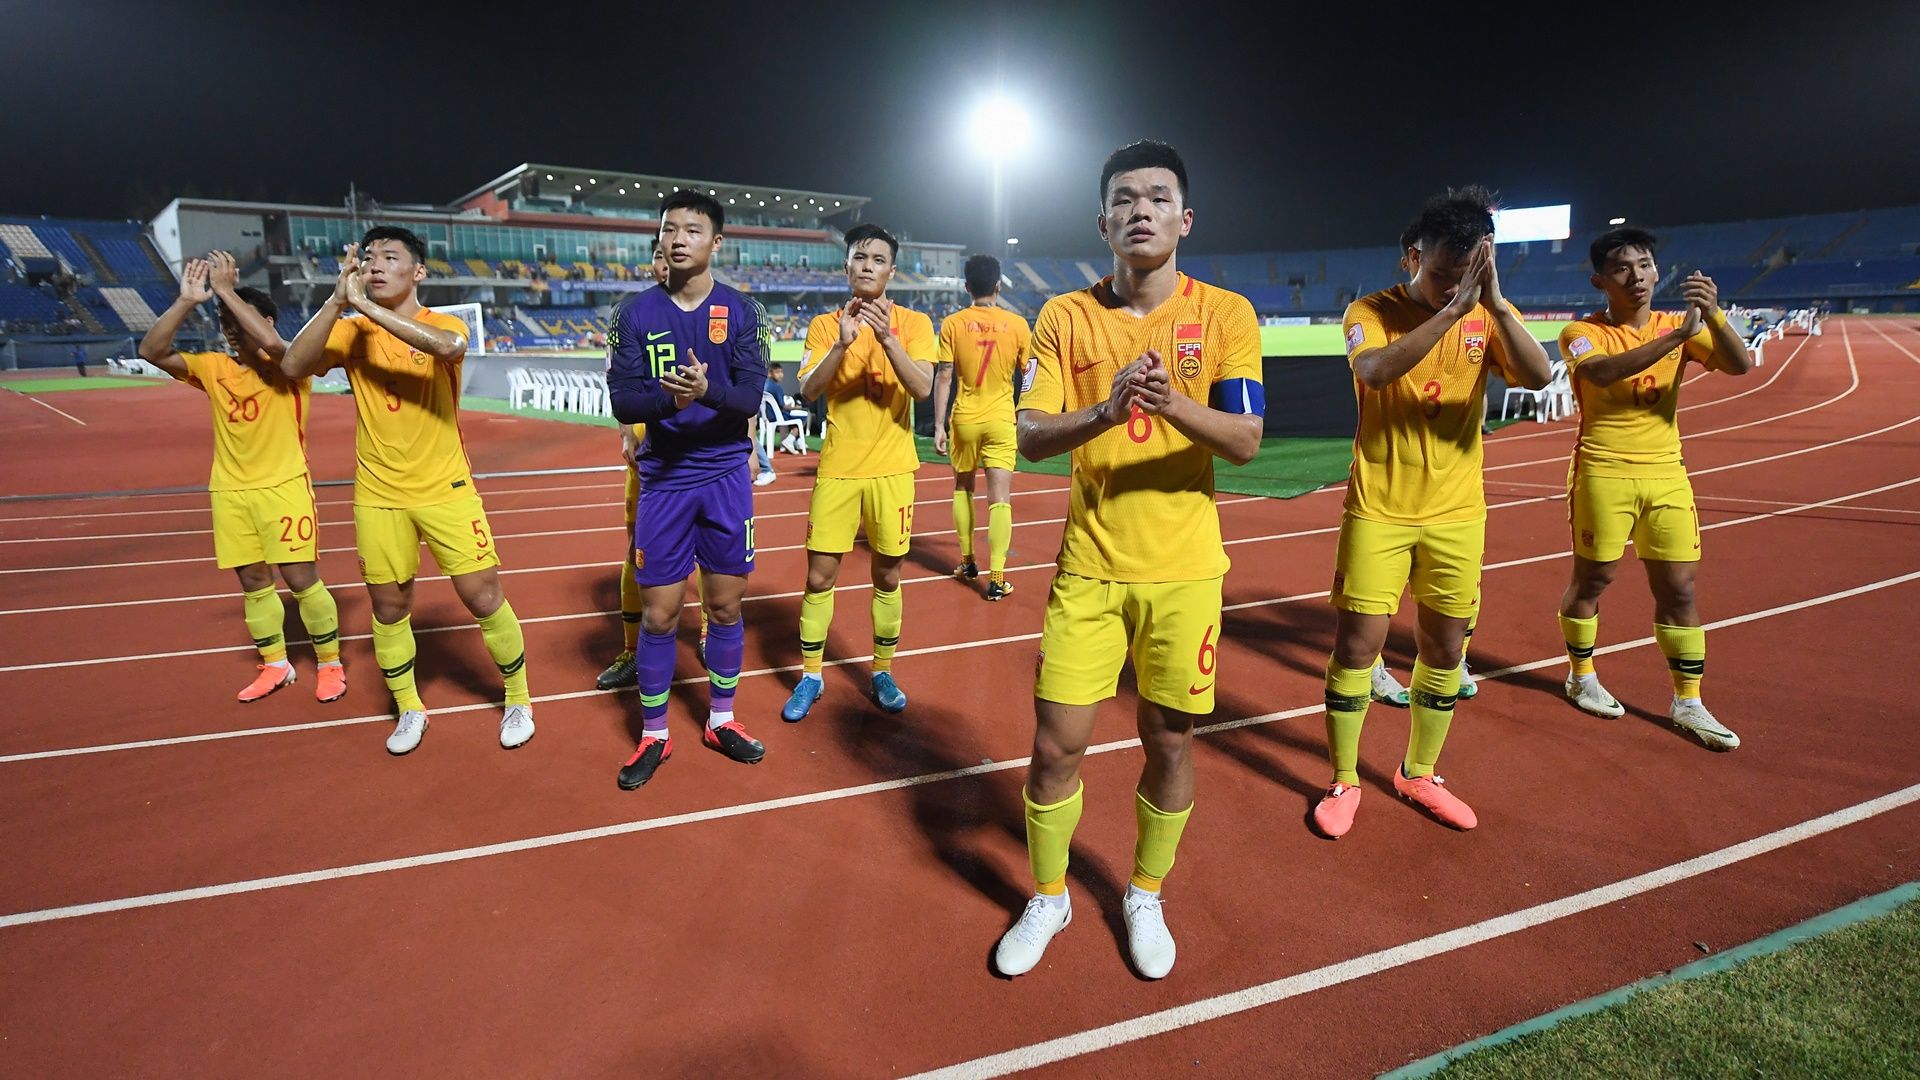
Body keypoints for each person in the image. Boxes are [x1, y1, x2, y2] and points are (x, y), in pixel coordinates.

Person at [992, 140, 1263, 980]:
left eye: (1157, 196)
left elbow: (1246, 439)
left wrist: (1171, 402)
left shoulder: (1226, 314)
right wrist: (1106, 413)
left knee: (1170, 742)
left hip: (1186, 574)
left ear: (1186, 219)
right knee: (1055, 747)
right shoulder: (1064, 317)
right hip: (1090, 569)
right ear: (1102, 221)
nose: (1140, 209)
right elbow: (1029, 434)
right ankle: (1049, 896)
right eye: (1124, 198)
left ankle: (1145, 892)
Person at [1312, 187, 1552, 839]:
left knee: (1445, 648)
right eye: (1443, 272)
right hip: (1379, 511)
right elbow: (1375, 370)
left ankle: (1418, 772)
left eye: (1466, 273)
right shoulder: (1370, 310)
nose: (1454, 285)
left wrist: (1494, 305)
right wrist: (1453, 313)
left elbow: (1538, 377)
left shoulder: (1487, 311)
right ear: (1413, 257)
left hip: (1458, 514)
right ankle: (1343, 778)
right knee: (1357, 648)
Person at [282, 228, 533, 754]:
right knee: (389, 606)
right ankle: (409, 708)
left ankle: (518, 699)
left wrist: (366, 309)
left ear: (417, 272)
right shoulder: (350, 332)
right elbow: (292, 366)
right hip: (378, 495)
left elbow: (448, 348)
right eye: (369, 258)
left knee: (483, 596)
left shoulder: (442, 323)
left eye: (390, 257)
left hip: (446, 488)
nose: (375, 265)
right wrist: (336, 302)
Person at [1556, 229, 1752, 748]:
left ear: (1658, 271)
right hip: (1602, 471)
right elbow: (1600, 373)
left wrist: (1713, 316)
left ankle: (1689, 701)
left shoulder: (1678, 325)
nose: (1636, 276)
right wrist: (1677, 338)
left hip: (1667, 473)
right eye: (1621, 268)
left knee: (1680, 589)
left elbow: (1740, 365)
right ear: (1600, 280)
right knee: (1593, 580)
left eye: (1644, 265)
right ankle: (1581, 676)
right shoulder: (1582, 332)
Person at [606, 192, 771, 788]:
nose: (678, 239)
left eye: (692, 230)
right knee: (660, 615)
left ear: (715, 242)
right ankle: (654, 732)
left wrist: (706, 393)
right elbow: (623, 401)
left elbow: (751, 397)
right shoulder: (632, 313)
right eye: (669, 229)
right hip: (665, 480)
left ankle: (721, 719)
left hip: (725, 476)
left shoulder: (744, 312)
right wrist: (670, 403)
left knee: (725, 606)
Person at [139, 252, 344, 704]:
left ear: (264, 319)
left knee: (301, 579)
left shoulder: (293, 366)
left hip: (284, 488)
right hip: (230, 492)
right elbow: (151, 352)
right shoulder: (215, 368)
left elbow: (273, 344)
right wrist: (187, 301)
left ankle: (329, 663)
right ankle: (276, 664)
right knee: (253, 581)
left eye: (236, 320)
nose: (229, 329)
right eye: (224, 323)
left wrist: (227, 292)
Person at [779, 225, 936, 721]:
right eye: (860, 257)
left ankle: (882, 670)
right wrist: (841, 346)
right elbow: (808, 391)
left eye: (878, 259)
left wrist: (887, 338)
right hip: (839, 470)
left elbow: (923, 388)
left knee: (887, 574)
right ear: (846, 266)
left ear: (892, 270)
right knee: (819, 576)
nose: (868, 266)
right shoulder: (824, 326)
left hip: (893, 470)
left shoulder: (915, 323)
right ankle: (810, 675)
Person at [597, 243, 709, 691]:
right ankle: (632, 650)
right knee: (636, 550)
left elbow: (735, 381)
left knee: (708, 548)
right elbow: (618, 382)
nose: (667, 263)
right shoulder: (632, 315)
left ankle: (708, 633)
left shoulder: (713, 311)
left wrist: (750, 443)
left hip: (704, 450)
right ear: (653, 263)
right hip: (650, 451)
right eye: (659, 256)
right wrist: (627, 433)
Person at [933, 254, 1032, 601]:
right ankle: (997, 578)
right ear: (998, 286)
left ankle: (967, 562)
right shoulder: (1017, 325)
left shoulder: (952, 324)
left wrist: (939, 425)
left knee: (963, 488)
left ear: (967, 287)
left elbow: (944, 376)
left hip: (965, 419)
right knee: (999, 499)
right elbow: (1029, 374)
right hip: (1002, 418)